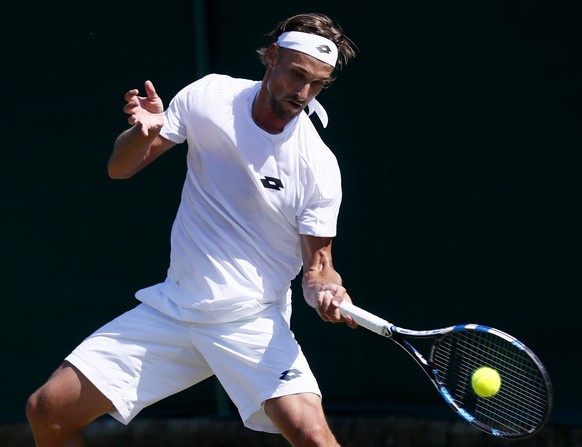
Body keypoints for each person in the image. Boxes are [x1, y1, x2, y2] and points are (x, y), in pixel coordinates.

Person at [26, 12, 358, 447]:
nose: (302, 93)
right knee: (48, 410)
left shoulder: (318, 165)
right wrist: (141, 135)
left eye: (317, 83)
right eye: (296, 75)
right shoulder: (209, 96)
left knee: (313, 437)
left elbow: (319, 267)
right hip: (175, 307)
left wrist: (328, 290)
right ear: (273, 56)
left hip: (250, 320)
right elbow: (120, 169)